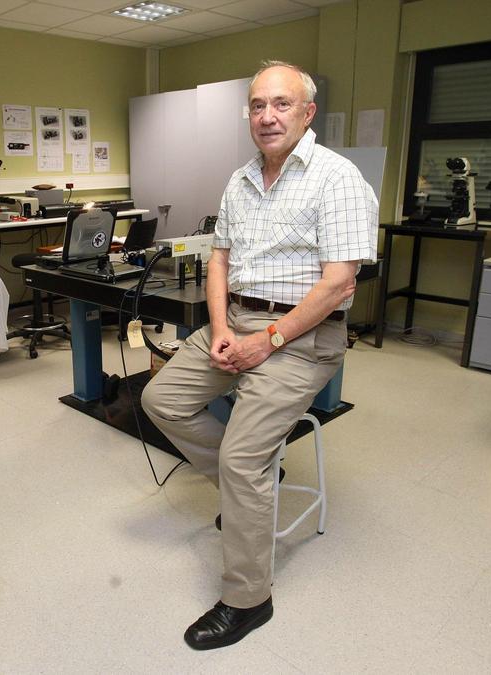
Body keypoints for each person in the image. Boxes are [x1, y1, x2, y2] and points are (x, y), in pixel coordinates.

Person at [141, 61, 379, 650]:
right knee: (160, 399)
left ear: (306, 113)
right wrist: (221, 327)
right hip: (237, 320)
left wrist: (265, 343)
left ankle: (248, 599)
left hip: (302, 337)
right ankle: (248, 485)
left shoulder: (338, 178)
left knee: (243, 458)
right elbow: (219, 259)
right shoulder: (241, 179)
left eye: (280, 104)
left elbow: (337, 286)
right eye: (256, 106)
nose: (267, 116)